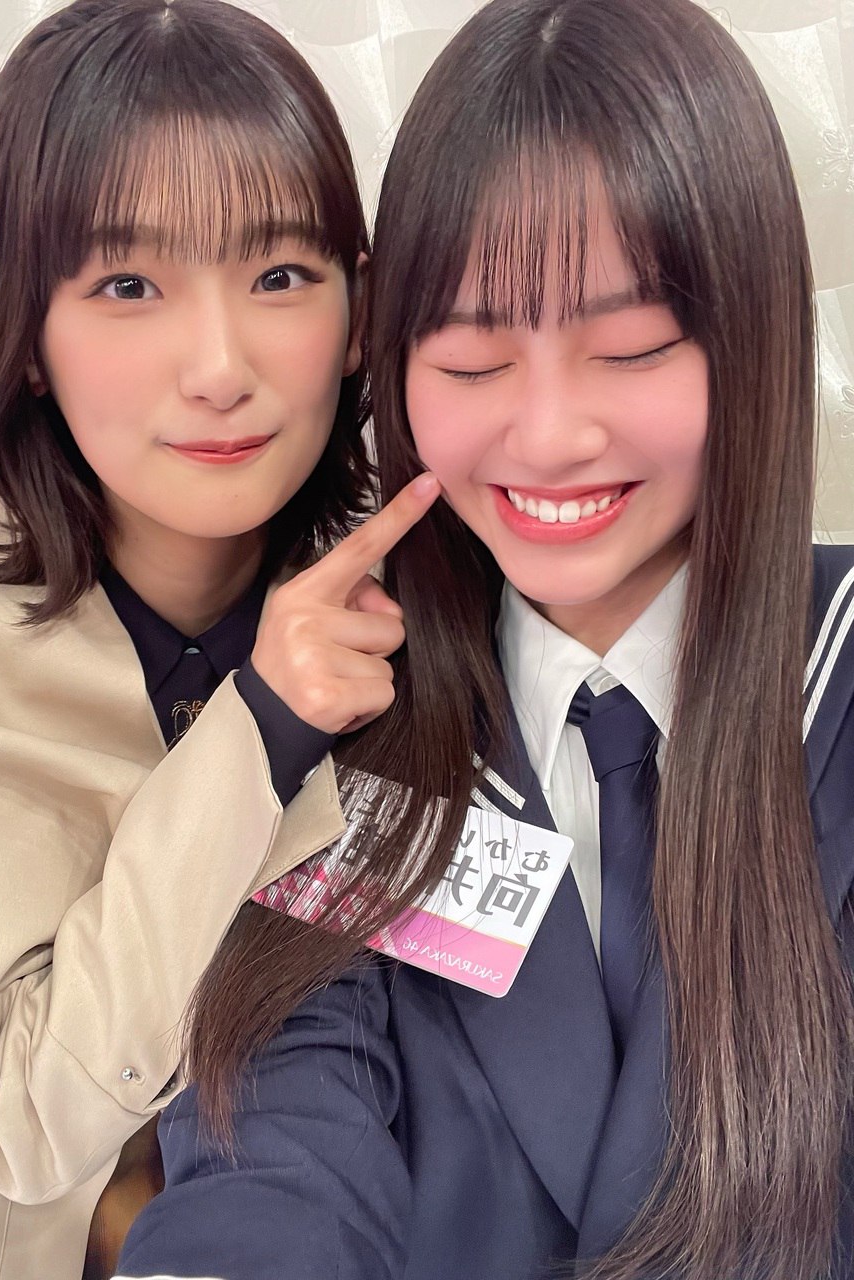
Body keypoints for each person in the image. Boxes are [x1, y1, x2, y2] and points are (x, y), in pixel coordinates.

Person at [114, 0, 854, 1278]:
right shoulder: (343, 721)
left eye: (633, 346)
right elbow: (276, 1151)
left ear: (757, 338)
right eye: (469, 361)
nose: (550, 435)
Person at [0, 1, 440, 1277]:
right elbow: (25, 1114)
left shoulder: (416, 608)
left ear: (360, 311)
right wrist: (264, 727)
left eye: (280, 275)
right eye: (128, 286)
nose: (219, 365)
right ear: (26, 332)